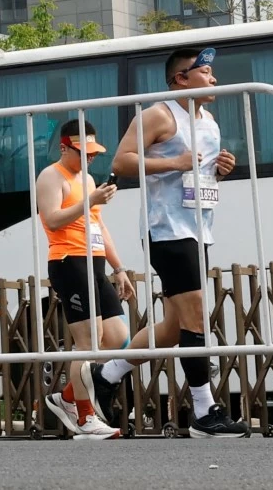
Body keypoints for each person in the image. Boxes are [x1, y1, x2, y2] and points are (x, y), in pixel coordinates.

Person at [106, 46, 250, 437]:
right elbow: (120, 161)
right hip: (166, 229)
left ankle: (105, 376)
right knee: (197, 313)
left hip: (198, 227)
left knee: (173, 327)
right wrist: (173, 162)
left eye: (213, 73)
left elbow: (201, 174)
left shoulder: (209, 121)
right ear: (181, 79)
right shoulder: (159, 114)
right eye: (205, 72)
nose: (213, 79)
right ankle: (204, 411)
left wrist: (221, 170)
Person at [38, 118, 131, 440]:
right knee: (87, 343)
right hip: (68, 260)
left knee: (118, 338)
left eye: (93, 152)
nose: (90, 157)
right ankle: (84, 416)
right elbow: (52, 219)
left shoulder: (89, 179)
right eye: (83, 152)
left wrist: (118, 268)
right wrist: (90, 201)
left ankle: (67, 398)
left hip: (95, 260)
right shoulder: (51, 176)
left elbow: (99, 225)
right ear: (64, 148)